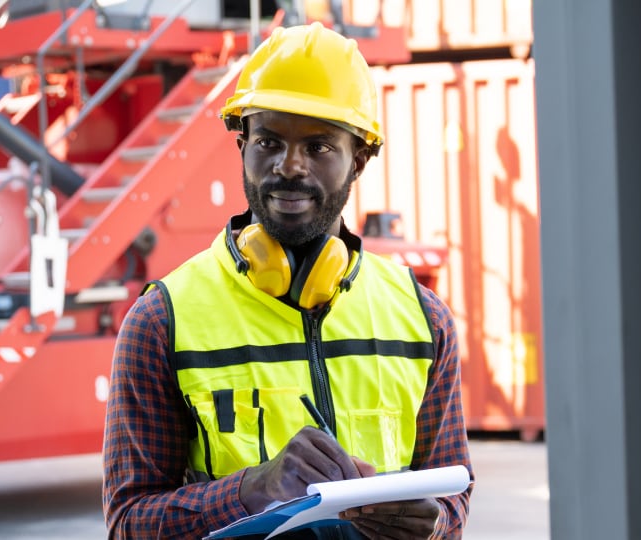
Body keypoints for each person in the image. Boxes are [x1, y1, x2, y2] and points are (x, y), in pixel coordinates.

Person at [102, 22, 473, 539]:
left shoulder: (422, 319)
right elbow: (128, 524)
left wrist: (435, 524)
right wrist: (253, 489)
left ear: (359, 161)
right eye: (268, 141)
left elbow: (453, 495)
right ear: (242, 147)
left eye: (319, 147)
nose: (288, 166)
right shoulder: (163, 321)